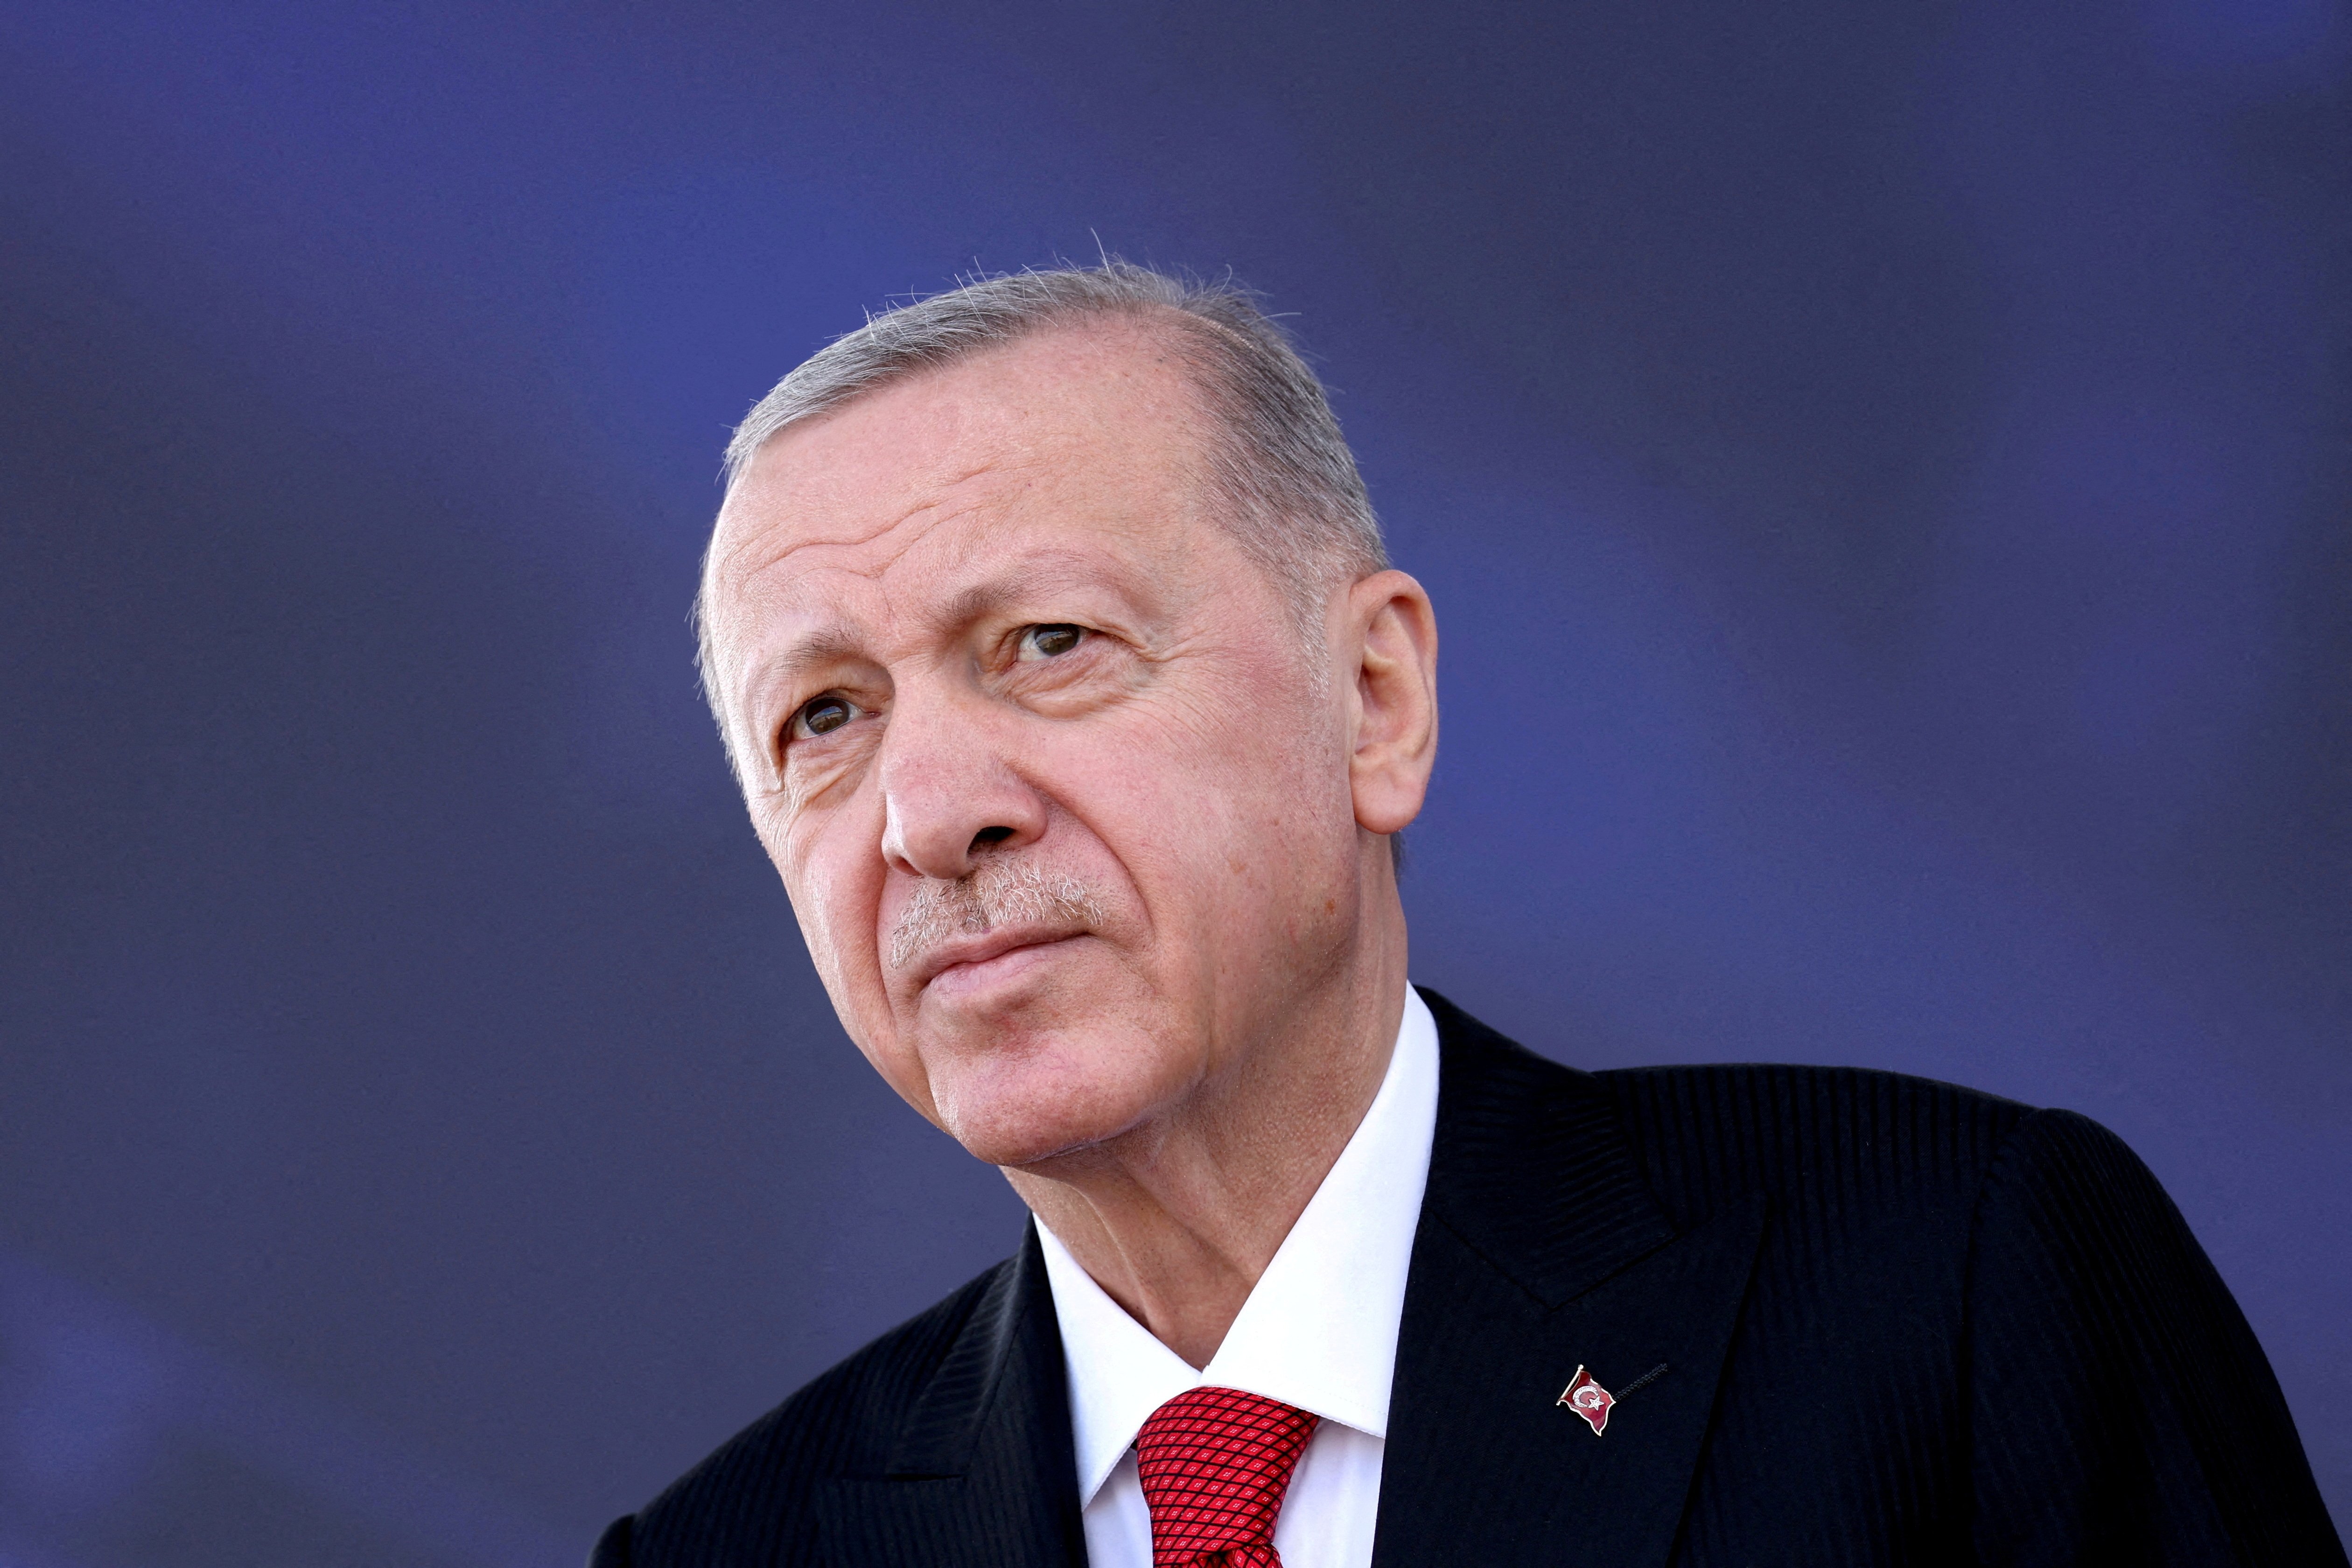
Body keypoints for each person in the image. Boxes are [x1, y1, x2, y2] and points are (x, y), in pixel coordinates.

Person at [592, 263, 2343, 1566]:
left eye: (1048, 645)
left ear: (1375, 701)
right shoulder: (723, 1557)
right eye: (823, 718)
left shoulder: (1944, 1297)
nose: (926, 816)